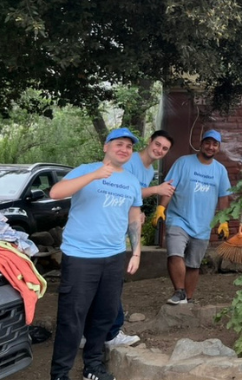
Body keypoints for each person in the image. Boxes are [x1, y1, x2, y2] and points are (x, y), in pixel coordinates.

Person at [49, 128, 143, 380]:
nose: (124, 149)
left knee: (105, 314)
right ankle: (60, 373)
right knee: (72, 318)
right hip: (80, 256)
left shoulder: (132, 181)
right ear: (106, 147)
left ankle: (93, 366)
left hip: (113, 257)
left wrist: (136, 252)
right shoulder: (85, 169)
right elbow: (56, 192)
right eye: (119, 144)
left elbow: (134, 218)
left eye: (129, 146)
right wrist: (94, 175)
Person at [93, 130, 175, 347]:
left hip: (120, 229)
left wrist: (137, 211)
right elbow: (123, 188)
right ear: (149, 142)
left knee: (106, 284)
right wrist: (157, 190)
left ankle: (95, 332)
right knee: (109, 284)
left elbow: (133, 198)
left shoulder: (149, 170)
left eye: (164, 149)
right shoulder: (130, 161)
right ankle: (110, 332)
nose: (159, 150)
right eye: (157, 144)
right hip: (107, 228)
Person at [153, 130, 231, 305]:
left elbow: (223, 197)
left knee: (194, 264)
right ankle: (179, 291)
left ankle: (188, 298)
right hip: (179, 218)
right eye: (207, 143)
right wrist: (161, 208)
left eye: (215, 144)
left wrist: (223, 220)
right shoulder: (183, 163)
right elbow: (169, 187)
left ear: (218, 147)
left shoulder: (220, 170)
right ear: (201, 143)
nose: (210, 147)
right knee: (174, 253)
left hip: (203, 224)